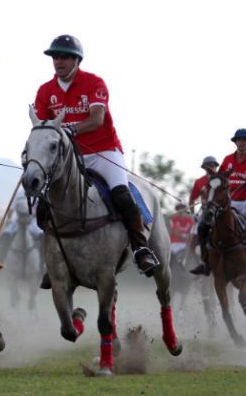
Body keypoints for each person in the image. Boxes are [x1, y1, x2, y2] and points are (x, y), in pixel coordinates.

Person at [33, 34, 160, 289]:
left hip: (103, 151)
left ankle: (140, 248)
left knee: (122, 194)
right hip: (68, 155)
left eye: (65, 56)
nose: (58, 61)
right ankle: (54, 260)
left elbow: (97, 119)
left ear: (77, 60)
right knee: (43, 203)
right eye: (55, 56)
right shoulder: (45, 91)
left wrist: (69, 130)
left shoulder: (94, 83)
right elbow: (42, 126)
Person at [190, 129, 246, 276]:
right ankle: (205, 262)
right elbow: (218, 177)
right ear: (235, 142)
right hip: (229, 201)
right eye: (239, 140)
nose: (241, 143)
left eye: (244, 140)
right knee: (204, 226)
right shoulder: (228, 160)